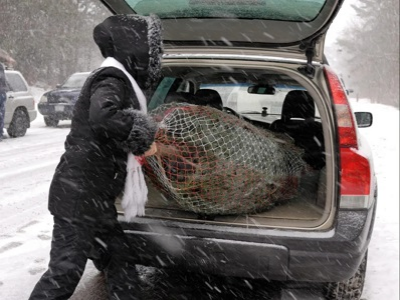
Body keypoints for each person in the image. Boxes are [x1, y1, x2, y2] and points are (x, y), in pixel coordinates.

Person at [29, 14, 163, 300]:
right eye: (151, 47)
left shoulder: (118, 77)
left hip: (94, 194)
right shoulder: (111, 77)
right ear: (134, 47)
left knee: (118, 258)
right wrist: (141, 137)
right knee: (64, 273)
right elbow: (103, 115)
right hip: (80, 194)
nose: (155, 54)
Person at [0, 63, 7, 141]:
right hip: (2, 93)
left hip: (1, 93)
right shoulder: (1, 67)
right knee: (1, 114)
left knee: (1, 114)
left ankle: (0, 133)